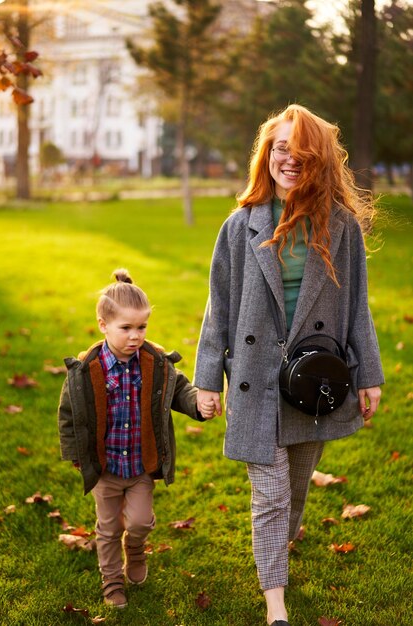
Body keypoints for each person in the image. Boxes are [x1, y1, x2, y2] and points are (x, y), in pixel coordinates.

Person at [194, 104, 384, 626]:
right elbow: (219, 308)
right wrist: (208, 379)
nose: (289, 159)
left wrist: (368, 374)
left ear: (318, 160)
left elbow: (357, 307)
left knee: (296, 488)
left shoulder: (340, 228)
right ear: (267, 155)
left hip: (317, 381)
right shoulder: (240, 227)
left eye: (301, 151)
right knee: (271, 496)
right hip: (255, 379)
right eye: (280, 148)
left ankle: (283, 539)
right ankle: (275, 604)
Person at [58, 269, 214, 609]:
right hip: (106, 467)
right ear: (103, 324)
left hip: (141, 464)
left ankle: (136, 549)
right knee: (109, 528)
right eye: (125, 328)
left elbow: (180, 390)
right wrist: (75, 454)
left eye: (141, 327)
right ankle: (112, 583)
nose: (135, 336)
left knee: (141, 521)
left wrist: (198, 405)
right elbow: (70, 416)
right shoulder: (87, 371)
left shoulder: (154, 363)